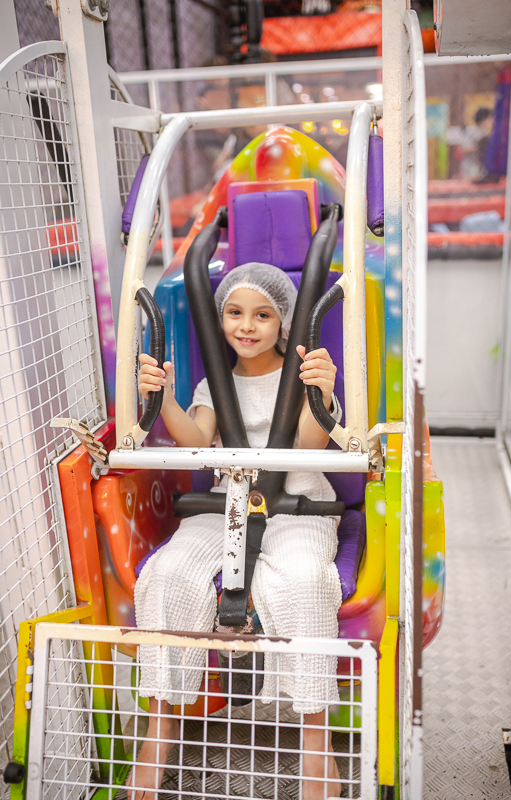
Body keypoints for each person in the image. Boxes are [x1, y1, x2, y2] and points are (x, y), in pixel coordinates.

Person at [127, 263, 343, 800]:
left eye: (263, 315)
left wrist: (322, 389)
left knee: (303, 581)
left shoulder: (301, 371)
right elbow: (196, 438)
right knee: (169, 576)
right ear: (220, 317)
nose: (247, 326)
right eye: (234, 313)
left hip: (298, 504)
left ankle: (316, 739)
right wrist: (164, 398)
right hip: (226, 502)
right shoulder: (213, 384)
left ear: (285, 322)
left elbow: (310, 448)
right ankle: (160, 732)